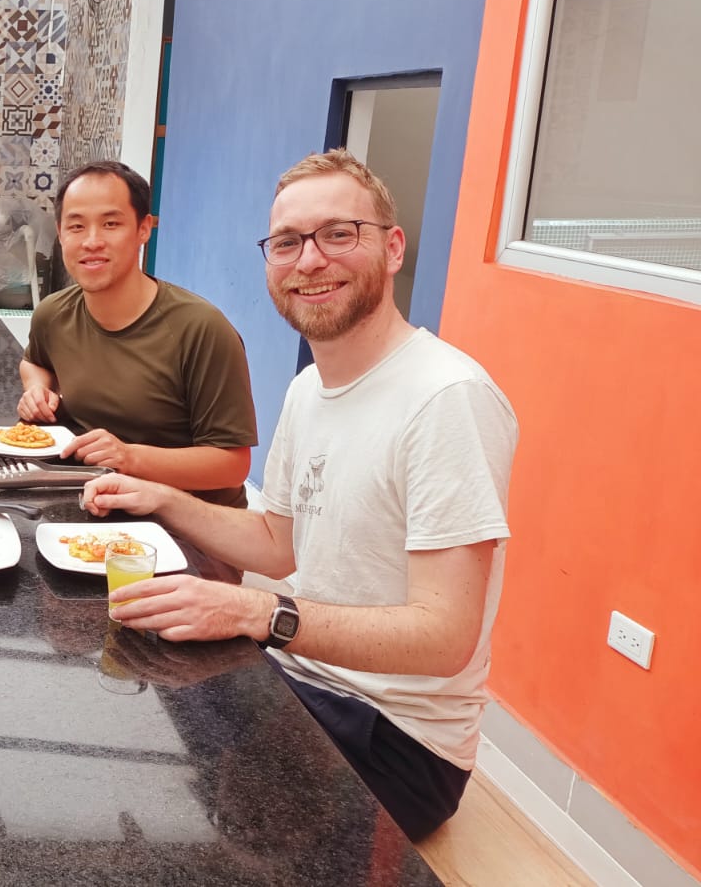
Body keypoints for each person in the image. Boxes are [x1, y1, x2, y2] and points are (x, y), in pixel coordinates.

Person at [83, 149, 519, 841]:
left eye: (338, 234)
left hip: (396, 736)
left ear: (393, 247)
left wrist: (259, 612)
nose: (309, 260)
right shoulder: (309, 389)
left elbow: (446, 638)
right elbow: (277, 545)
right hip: (299, 679)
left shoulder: (446, 398)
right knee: (115, 715)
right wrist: (157, 494)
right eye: (287, 242)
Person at [19, 160, 258, 509]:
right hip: (91, 499)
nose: (92, 241)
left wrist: (129, 457)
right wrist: (36, 389)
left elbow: (233, 466)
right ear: (60, 233)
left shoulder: (201, 329)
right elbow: (35, 362)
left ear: (144, 229)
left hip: (190, 526)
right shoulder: (54, 314)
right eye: (76, 226)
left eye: (111, 224)